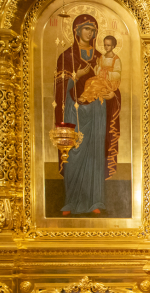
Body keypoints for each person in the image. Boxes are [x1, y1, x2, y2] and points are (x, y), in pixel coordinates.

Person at [55, 14, 121, 216]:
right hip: (74, 111)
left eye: (92, 30)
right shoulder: (66, 57)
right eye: (86, 28)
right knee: (73, 153)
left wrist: (113, 95)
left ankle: (95, 201)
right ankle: (70, 201)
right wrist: (79, 76)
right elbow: (59, 87)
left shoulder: (100, 57)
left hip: (97, 111)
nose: (89, 33)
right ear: (76, 30)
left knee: (95, 153)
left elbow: (112, 84)